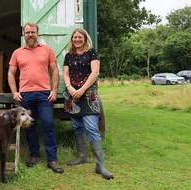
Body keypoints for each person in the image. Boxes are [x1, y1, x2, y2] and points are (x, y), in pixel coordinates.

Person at [7, 22, 63, 174]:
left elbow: (55, 71)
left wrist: (54, 89)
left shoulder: (47, 50)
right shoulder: (17, 52)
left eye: (33, 32)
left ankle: (52, 159)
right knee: (29, 127)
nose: (30, 35)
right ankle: (34, 156)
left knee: (48, 125)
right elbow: (11, 74)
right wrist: (14, 92)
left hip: (44, 93)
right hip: (26, 94)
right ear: (23, 34)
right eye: (27, 32)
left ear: (38, 33)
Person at [62, 28, 114, 179]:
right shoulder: (68, 56)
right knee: (77, 126)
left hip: (88, 95)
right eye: (74, 37)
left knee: (91, 127)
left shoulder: (92, 52)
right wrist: (70, 88)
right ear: (72, 39)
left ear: (85, 38)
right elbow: (65, 74)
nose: (77, 40)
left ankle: (100, 166)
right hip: (72, 95)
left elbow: (95, 72)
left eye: (80, 37)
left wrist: (83, 89)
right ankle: (82, 157)